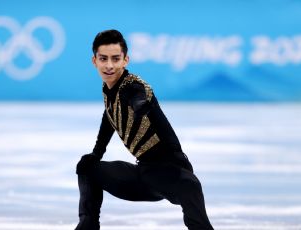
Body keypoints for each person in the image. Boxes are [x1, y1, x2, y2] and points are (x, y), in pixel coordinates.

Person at [75, 29, 214, 230]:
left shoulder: (133, 85)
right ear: (94, 61)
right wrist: (96, 153)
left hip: (170, 172)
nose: (109, 65)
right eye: (103, 59)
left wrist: (140, 105)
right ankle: (87, 225)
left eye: (116, 59)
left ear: (126, 60)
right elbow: (109, 117)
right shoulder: (109, 90)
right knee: (87, 168)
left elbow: (137, 96)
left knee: (190, 185)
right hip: (144, 174)